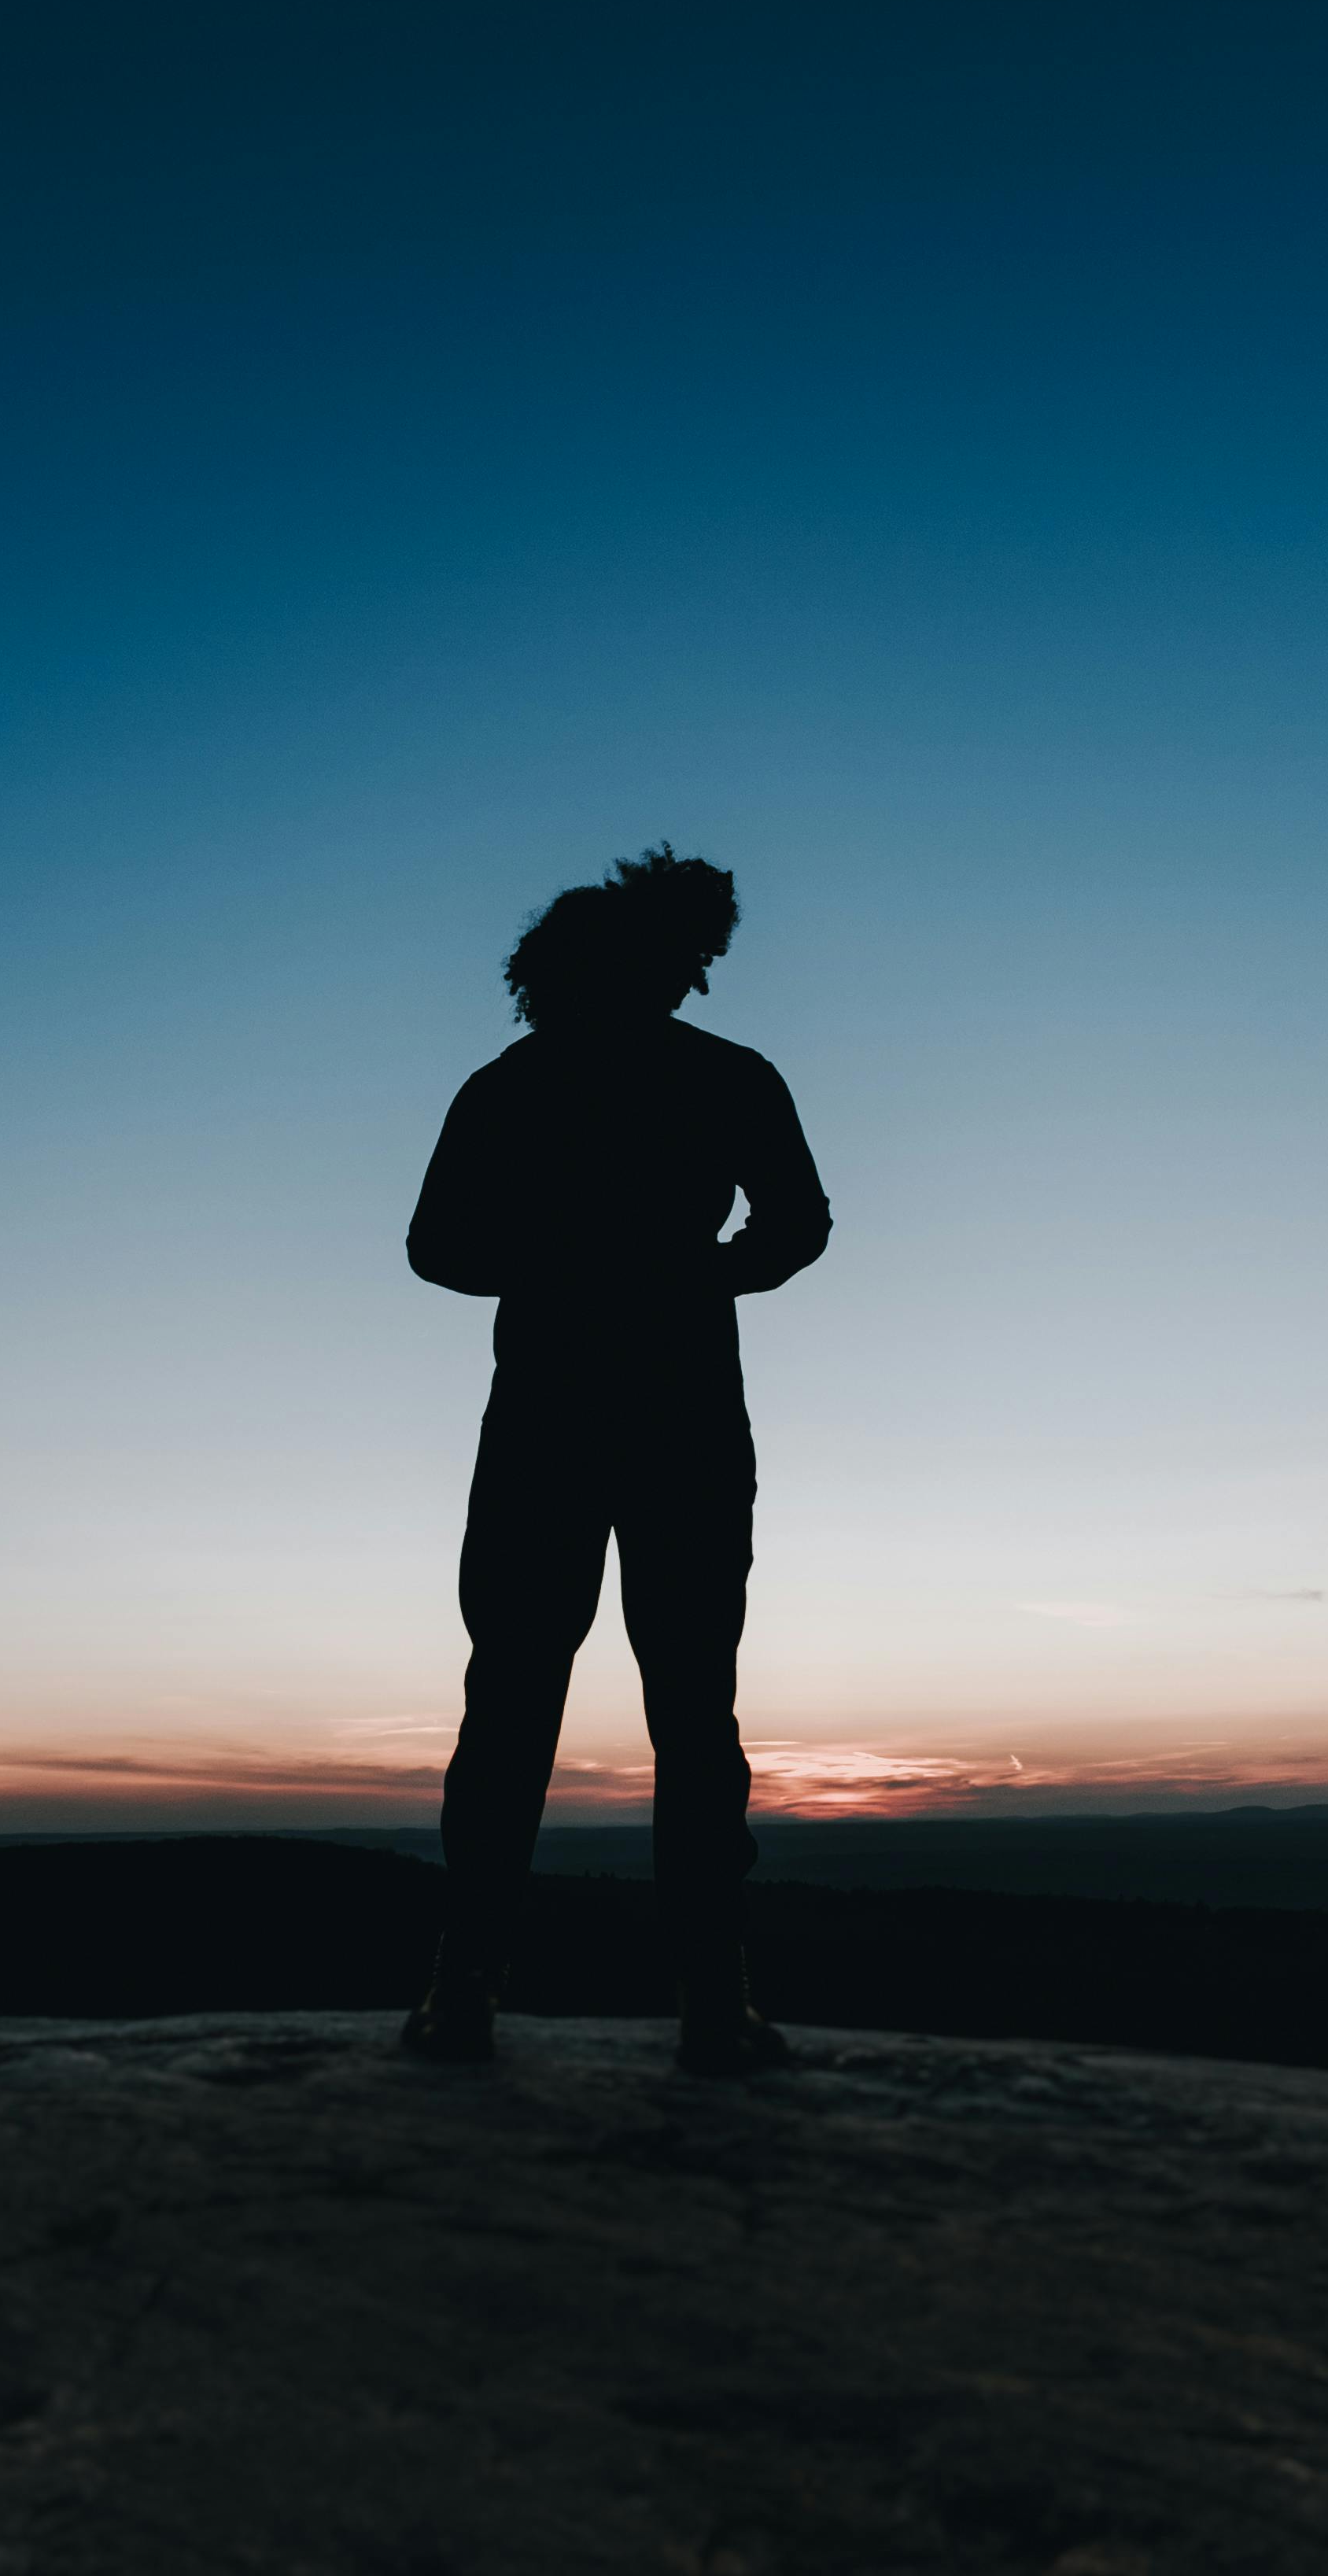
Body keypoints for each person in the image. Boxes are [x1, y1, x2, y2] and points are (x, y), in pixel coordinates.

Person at [398, 845, 829, 2076]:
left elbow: (439, 1247)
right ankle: (679, 2000)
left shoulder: (526, 1086)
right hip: (629, 1420)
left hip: (592, 1419)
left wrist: (622, 1266)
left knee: (565, 1707)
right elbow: (438, 1245)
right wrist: (678, 1267)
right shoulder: (664, 1081)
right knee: (651, 1708)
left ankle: (500, 1993)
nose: (684, 980)